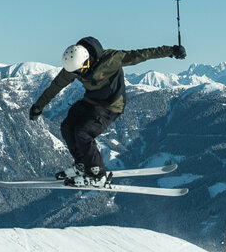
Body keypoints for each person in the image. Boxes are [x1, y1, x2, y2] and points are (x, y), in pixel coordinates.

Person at [29, 36, 187, 186]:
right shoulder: (74, 67)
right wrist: (39, 106)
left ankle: (97, 176)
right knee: (67, 126)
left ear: (87, 61)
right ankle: (82, 165)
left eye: (78, 71)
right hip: (91, 100)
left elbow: (142, 54)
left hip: (111, 105)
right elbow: (56, 85)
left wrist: (172, 51)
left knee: (83, 133)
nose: (77, 75)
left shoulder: (112, 59)